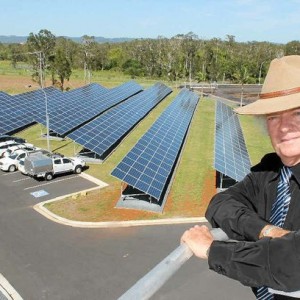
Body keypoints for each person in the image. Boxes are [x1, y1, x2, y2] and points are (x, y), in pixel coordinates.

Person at [181, 55, 300, 300]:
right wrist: (265, 230)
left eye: (297, 113)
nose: (284, 127)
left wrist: (212, 250)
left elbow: (293, 262)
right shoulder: (270, 170)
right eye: (273, 117)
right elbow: (220, 204)